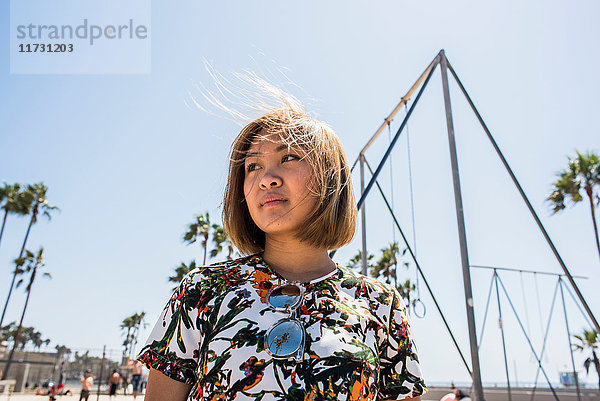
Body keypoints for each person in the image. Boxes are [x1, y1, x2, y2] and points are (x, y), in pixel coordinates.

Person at [138, 84, 427, 400]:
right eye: (253, 166)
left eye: (289, 157)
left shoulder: (381, 304)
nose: (266, 178)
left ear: (330, 177)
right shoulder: (203, 291)